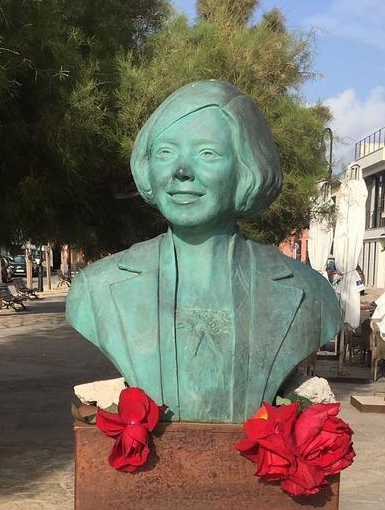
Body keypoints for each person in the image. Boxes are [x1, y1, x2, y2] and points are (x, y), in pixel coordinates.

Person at [67, 80, 340, 423]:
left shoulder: (309, 294)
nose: (181, 171)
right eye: (166, 152)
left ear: (247, 169)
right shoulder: (96, 289)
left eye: (207, 153)